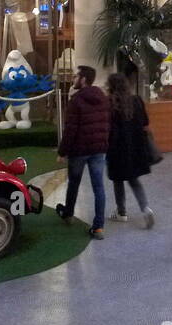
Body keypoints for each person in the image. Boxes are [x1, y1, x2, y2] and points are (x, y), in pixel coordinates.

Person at [55, 65, 111, 240]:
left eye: (75, 77)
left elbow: (70, 129)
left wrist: (62, 151)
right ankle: (99, 227)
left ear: (83, 79)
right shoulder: (103, 98)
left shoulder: (76, 101)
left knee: (74, 182)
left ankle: (68, 213)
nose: (73, 79)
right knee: (99, 187)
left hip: (79, 150)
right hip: (98, 149)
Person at [105, 72, 155, 229]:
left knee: (117, 180)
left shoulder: (109, 104)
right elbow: (145, 122)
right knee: (134, 180)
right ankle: (145, 208)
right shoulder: (137, 101)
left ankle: (121, 212)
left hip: (116, 149)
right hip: (135, 148)